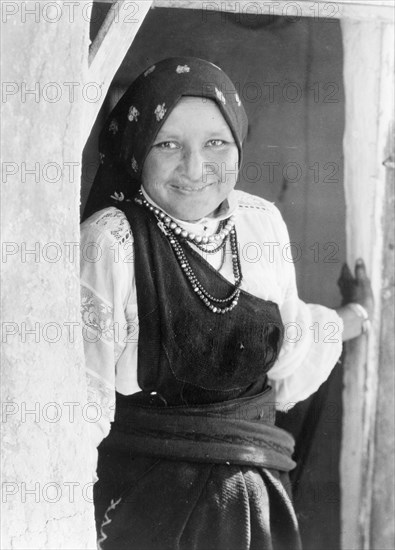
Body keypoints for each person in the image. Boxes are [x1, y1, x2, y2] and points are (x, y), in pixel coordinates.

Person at [80, 57, 373, 550]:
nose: (195, 169)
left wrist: (356, 315)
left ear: (238, 141)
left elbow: (292, 341)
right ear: (135, 151)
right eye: (167, 144)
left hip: (252, 504)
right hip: (143, 506)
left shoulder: (261, 224)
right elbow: (76, 407)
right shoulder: (110, 243)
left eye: (215, 142)